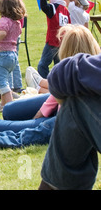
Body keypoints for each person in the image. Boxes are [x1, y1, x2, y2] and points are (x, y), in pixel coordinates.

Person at [0, 24, 100, 155]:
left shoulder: (68, 71)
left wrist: (39, 119)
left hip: (64, 119)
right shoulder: (84, 72)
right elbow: (57, 100)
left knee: (4, 129)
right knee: (13, 118)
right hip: (63, 116)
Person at [39, 51, 101, 190]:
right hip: (50, 113)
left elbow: (62, 75)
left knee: (76, 101)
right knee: (8, 112)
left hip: (49, 119)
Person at [37, 0, 70, 78]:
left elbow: (44, 7)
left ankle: (45, 83)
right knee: (58, 66)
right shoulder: (65, 10)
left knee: (42, 65)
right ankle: (58, 84)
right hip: (62, 42)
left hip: (52, 42)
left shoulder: (53, 7)